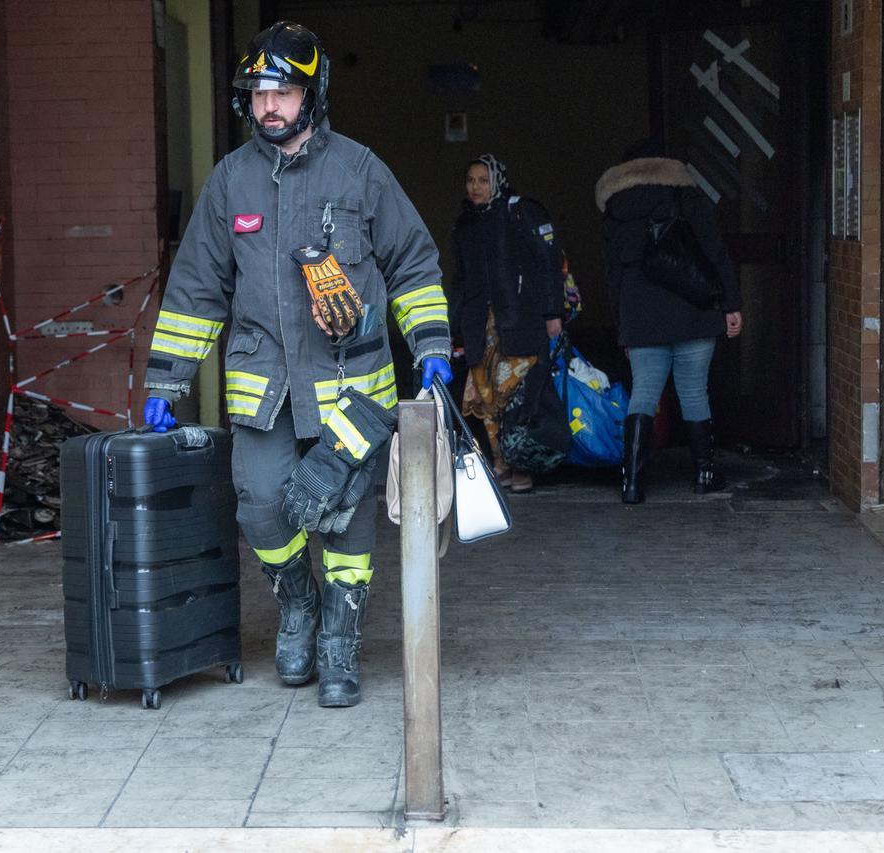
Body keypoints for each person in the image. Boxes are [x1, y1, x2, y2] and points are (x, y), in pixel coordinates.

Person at [141, 22, 452, 708]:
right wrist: (168, 376)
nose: (268, 106)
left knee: (347, 515)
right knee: (258, 504)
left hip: (351, 389)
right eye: (258, 94)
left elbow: (413, 264)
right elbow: (196, 288)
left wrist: (430, 345)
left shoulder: (361, 171)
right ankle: (298, 603)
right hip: (266, 388)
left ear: (313, 94)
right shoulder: (231, 182)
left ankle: (340, 637)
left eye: (282, 92)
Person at [595, 140, 743, 504]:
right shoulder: (685, 196)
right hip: (693, 309)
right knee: (693, 390)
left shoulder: (616, 208)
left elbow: (613, 275)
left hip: (641, 315)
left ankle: (632, 483)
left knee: (644, 391)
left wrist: (624, 326)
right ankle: (704, 474)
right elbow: (715, 252)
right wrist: (731, 304)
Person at [449, 155, 569, 493]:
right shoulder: (464, 226)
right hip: (479, 326)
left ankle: (522, 464)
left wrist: (553, 312)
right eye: (470, 180)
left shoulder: (519, 213)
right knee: (485, 396)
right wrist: (453, 327)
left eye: (483, 180)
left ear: (497, 181)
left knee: (516, 394)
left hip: (520, 321)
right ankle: (501, 463)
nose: (475, 187)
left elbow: (548, 262)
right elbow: (460, 281)